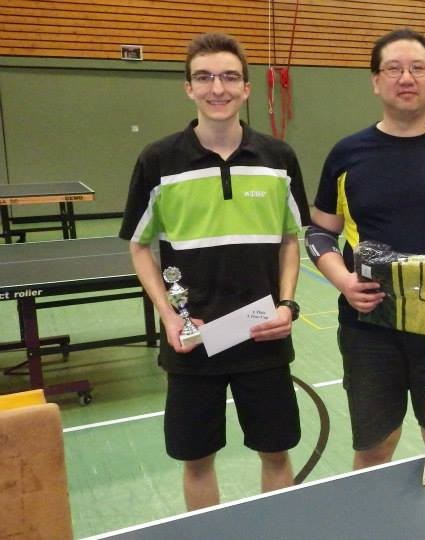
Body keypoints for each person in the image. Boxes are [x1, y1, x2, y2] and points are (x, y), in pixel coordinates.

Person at [119, 33, 310, 510]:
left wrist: (287, 304)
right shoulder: (158, 161)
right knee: (197, 458)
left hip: (261, 332)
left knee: (275, 452)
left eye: (228, 77)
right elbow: (140, 245)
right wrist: (168, 314)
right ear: (188, 88)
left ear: (246, 89)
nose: (217, 88)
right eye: (204, 77)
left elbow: (291, 238)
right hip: (193, 337)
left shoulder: (278, 159)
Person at [307, 28, 425, 469]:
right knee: (375, 449)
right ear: (376, 81)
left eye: (417, 68)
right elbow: (319, 234)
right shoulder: (347, 154)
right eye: (393, 68)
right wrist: (343, 282)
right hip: (368, 329)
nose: (405, 78)